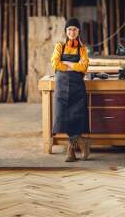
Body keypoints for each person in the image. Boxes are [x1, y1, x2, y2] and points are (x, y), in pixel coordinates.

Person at [50, 17, 90, 162]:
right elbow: (55, 63)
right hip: (61, 88)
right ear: (65, 31)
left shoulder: (82, 49)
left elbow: (84, 67)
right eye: (69, 29)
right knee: (63, 118)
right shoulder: (59, 46)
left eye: (74, 29)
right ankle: (81, 143)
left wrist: (66, 63)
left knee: (76, 118)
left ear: (78, 31)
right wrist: (74, 65)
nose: (72, 32)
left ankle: (71, 151)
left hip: (77, 88)